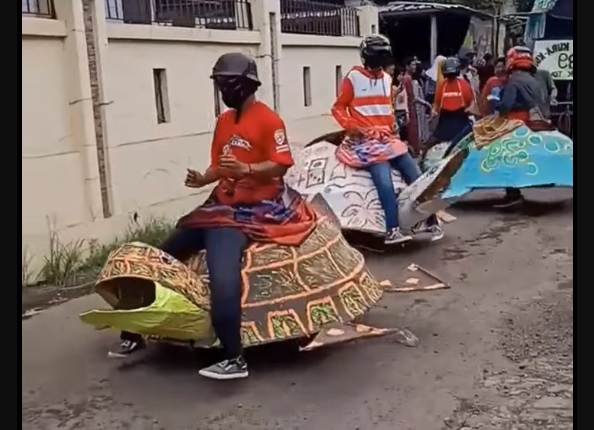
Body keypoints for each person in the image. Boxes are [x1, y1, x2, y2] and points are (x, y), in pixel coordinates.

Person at [109, 52, 317, 380]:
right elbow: (221, 164)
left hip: (249, 211)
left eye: (226, 84)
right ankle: (134, 330)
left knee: (223, 276)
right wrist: (204, 179)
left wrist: (248, 169)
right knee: (161, 256)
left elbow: (281, 163)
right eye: (219, 84)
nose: (222, 90)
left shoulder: (269, 120)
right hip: (219, 203)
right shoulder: (223, 121)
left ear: (244, 85)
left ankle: (234, 358)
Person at [331, 35, 443, 244]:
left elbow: (385, 107)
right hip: (366, 141)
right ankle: (392, 229)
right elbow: (338, 108)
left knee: (417, 177)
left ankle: (431, 220)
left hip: (388, 138)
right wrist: (351, 126)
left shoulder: (386, 79)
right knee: (384, 182)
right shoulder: (352, 78)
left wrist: (391, 123)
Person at [496, 45, 540, 207]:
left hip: (512, 123)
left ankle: (513, 193)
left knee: (507, 158)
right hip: (527, 122)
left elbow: (506, 105)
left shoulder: (514, 81)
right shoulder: (532, 80)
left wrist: (496, 104)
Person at [432, 57, 474, 143]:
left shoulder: (441, 86)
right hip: (461, 126)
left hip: (444, 126)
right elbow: (471, 104)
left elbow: (436, 108)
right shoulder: (464, 84)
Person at [402, 56, 422, 155]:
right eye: (413, 65)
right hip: (409, 109)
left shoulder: (407, 78)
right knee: (412, 132)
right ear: (407, 66)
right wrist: (425, 103)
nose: (415, 67)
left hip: (410, 108)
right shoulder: (407, 79)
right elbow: (412, 98)